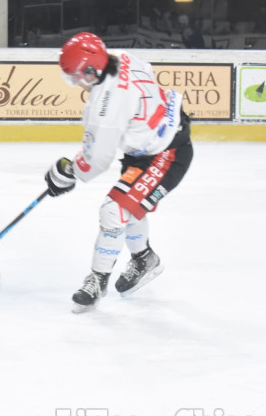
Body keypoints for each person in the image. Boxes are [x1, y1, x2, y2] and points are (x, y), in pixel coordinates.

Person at [45, 32, 193, 313]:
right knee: (128, 207)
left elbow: (97, 160)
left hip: (166, 155)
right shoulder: (124, 58)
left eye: (77, 75)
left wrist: (67, 173)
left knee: (113, 211)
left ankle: (98, 280)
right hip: (150, 147)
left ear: (92, 69)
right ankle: (144, 259)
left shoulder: (106, 103)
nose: (77, 82)